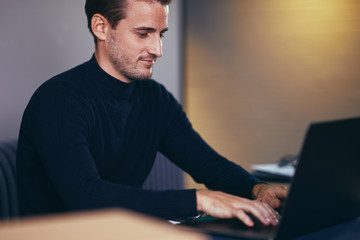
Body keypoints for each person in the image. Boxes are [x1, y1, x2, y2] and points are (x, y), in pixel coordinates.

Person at [16, 0, 288, 227]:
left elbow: (208, 164)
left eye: (161, 34)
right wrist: (199, 200)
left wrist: (258, 189)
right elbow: (86, 196)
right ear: (101, 27)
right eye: (143, 33)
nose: (157, 50)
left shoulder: (155, 98)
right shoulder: (58, 99)